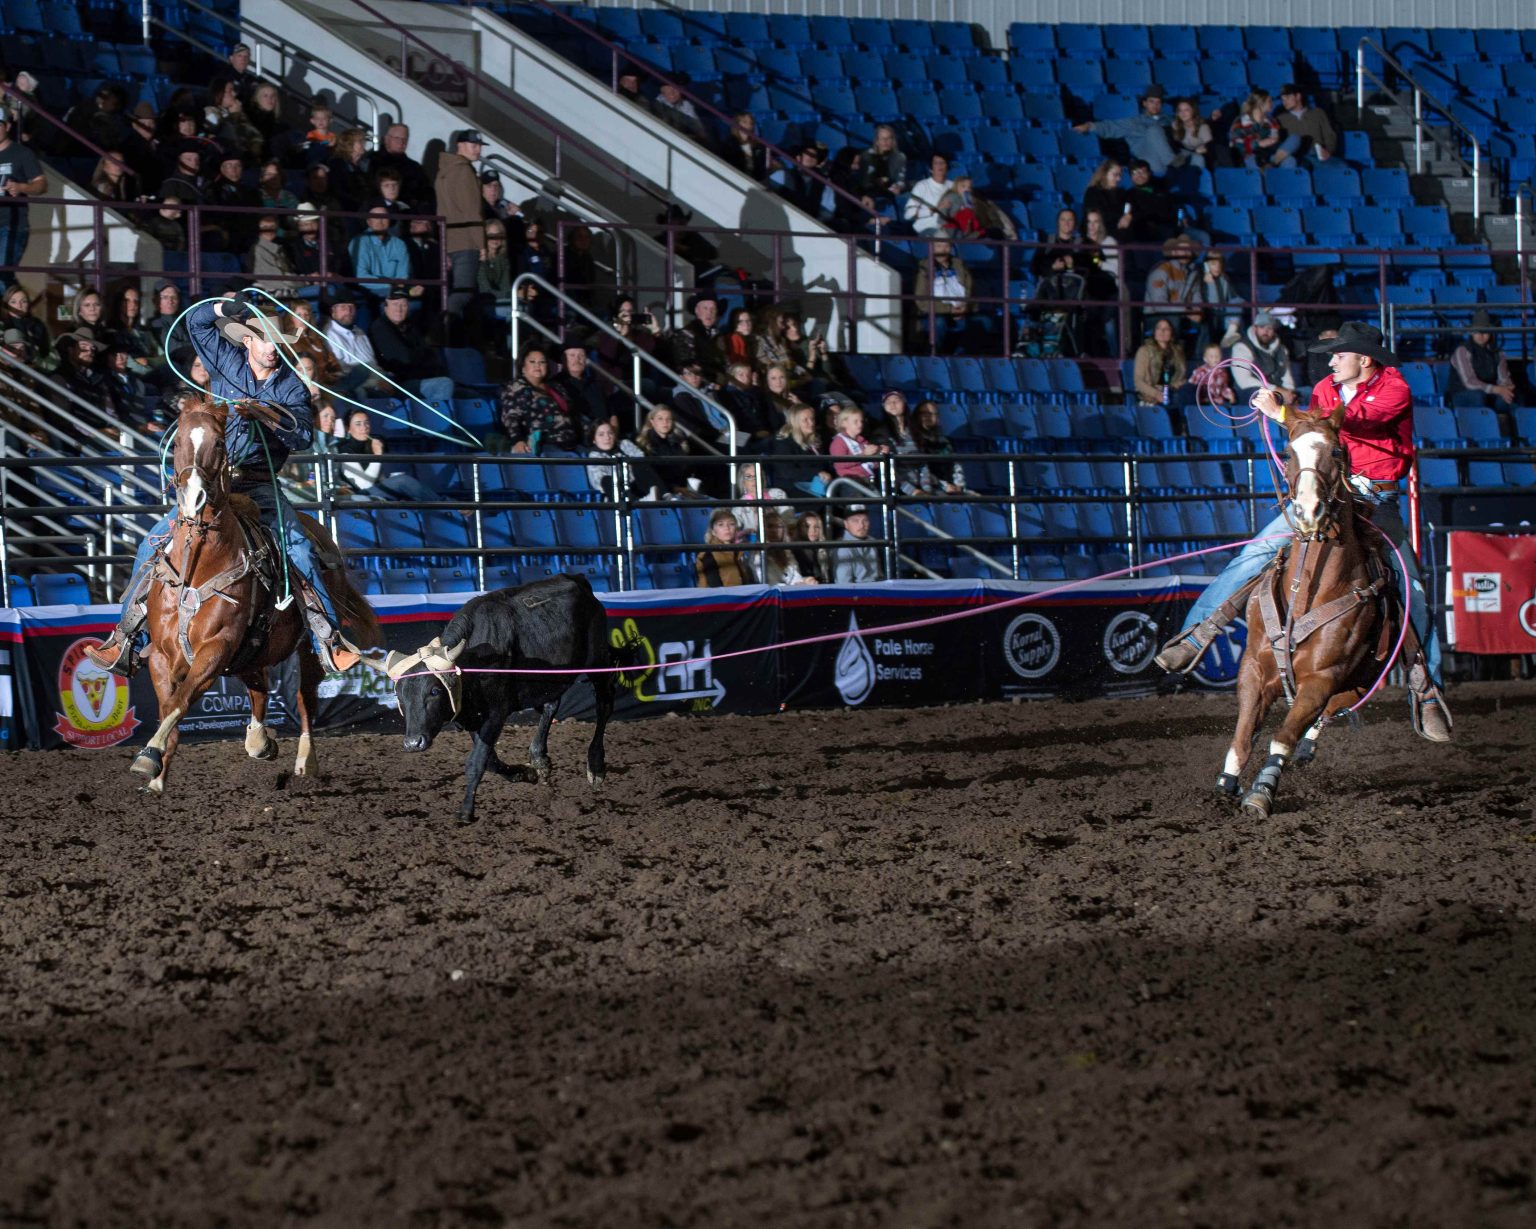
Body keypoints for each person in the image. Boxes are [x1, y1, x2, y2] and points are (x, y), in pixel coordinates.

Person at [1154, 321, 1452, 742]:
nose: (1330, 361)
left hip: (1375, 501)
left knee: (1411, 588)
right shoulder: (1325, 390)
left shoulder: (1394, 389)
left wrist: (1283, 412)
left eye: (1338, 354)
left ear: (1363, 359)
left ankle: (1425, 689)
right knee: (1255, 554)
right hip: (1328, 497)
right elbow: (1311, 435)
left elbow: (1357, 422)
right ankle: (1198, 632)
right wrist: (1283, 414)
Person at [85, 293, 361, 676]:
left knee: (298, 548)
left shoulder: (291, 387)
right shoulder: (226, 362)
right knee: (152, 541)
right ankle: (125, 637)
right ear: (247, 340)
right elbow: (196, 323)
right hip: (214, 484)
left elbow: (302, 438)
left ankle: (326, 639)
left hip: (260, 484)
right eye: (265, 340)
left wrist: (263, 413)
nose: (272, 349)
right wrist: (223, 309)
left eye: (277, 342)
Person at [435, 128, 486, 340]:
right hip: (466, 239)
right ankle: (443, 332)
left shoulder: (444, 170)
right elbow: (471, 210)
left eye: (479, 145)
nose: (477, 149)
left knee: (462, 292)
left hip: (451, 238)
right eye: (473, 145)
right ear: (460, 145)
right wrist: (481, 243)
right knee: (463, 292)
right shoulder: (464, 171)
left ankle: (452, 334)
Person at [333, 408, 440, 502]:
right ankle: (445, 504)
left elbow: (378, 477)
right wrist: (378, 456)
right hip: (360, 494)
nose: (364, 427)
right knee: (403, 481)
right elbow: (365, 485)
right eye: (358, 424)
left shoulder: (371, 444)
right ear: (348, 429)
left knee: (410, 492)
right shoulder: (345, 450)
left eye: (366, 423)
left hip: (376, 490)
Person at [368, 288, 453, 404]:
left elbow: (428, 355)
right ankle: (435, 420)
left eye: (403, 305)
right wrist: (422, 354)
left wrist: (422, 355)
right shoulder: (380, 327)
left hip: (419, 378)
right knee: (444, 384)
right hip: (398, 383)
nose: (399, 309)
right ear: (385, 307)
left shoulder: (410, 326)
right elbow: (405, 358)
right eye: (395, 304)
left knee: (468, 394)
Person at [1072, 83, 1177, 176]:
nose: (1155, 105)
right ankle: (1172, 163)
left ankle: (1176, 166)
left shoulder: (1169, 120)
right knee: (1155, 130)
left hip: (1172, 161)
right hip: (1148, 162)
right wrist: (1090, 126)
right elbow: (1111, 126)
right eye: (1152, 102)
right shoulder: (1134, 122)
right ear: (1145, 103)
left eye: (1158, 102)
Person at [499, 347, 580, 454]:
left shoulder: (556, 386)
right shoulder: (516, 388)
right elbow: (510, 418)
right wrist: (517, 440)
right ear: (523, 367)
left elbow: (572, 413)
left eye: (542, 362)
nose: (537, 365)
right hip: (544, 444)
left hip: (571, 441)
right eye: (532, 362)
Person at [0, 106, 46, 287]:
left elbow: (41, 184)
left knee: (3, 276)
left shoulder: (21, 153)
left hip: (11, 225)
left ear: (7, 126)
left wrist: (21, 187)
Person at [913, 239, 976, 354]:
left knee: (980, 322)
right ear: (932, 248)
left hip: (961, 309)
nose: (943, 249)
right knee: (939, 323)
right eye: (939, 246)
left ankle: (961, 358)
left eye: (946, 246)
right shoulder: (924, 268)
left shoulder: (960, 266)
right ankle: (934, 356)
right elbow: (921, 301)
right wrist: (949, 309)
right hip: (935, 311)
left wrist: (965, 307)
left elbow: (970, 290)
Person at [1448, 309, 1517, 407]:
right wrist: (1496, 389)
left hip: (1489, 391)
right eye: (1477, 331)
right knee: (1478, 396)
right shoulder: (1462, 351)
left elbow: (1504, 376)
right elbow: (1469, 382)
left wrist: (1506, 388)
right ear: (1471, 333)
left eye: (1485, 331)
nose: (1481, 335)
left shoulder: (1497, 353)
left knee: (1510, 397)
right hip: (1463, 393)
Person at [348, 205, 413, 302]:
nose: (381, 220)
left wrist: (396, 288)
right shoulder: (359, 242)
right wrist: (390, 286)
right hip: (368, 291)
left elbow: (403, 275)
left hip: (396, 291)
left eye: (384, 217)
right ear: (369, 222)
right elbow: (361, 276)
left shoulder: (399, 244)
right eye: (376, 217)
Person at [768, 402, 832, 494]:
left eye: (812, 418)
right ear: (795, 422)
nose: (811, 423)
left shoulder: (817, 440)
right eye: (805, 420)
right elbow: (787, 472)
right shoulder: (784, 442)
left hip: (817, 485)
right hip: (792, 487)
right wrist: (817, 472)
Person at [585, 419, 657, 499]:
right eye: (601, 435)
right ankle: (631, 502)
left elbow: (640, 457)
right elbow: (598, 480)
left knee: (640, 464)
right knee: (606, 480)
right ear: (594, 439)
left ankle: (666, 495)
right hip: (616, 491)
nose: (607, 437)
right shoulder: (594, 455)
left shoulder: (623, 444)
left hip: (636, 484)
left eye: (610, 433)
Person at [1230, 310, 1296, 395]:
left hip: (1278, 392)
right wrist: (1277, 390)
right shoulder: (1241, 347)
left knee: (1307, 392)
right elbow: (1244, 381)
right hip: (1253, 393)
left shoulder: (1281, 349)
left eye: (1269, 328)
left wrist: (1290, 393)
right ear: (1255, 328)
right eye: (1262, 327)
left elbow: (1287, 377)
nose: (1266, 331)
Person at [635, 404, 696, 496]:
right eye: (660, 419)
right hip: (658, 492)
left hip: (681, 489)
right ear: (652, 421)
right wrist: (673, 488)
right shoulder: (643, 444)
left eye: (669, 419)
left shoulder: (679, 442)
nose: (665, 422)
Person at [1273, 84, 1336, 165]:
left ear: (1298, 96)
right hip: (1296, 156)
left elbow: (1329, 135)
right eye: (1282, 99)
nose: (1284, 102)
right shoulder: (1281, 119)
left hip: (1317, 155)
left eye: (1287, 98)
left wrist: (1328, 151)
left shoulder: (1318, 113)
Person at [666, 292, 723, 379]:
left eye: (713, 309)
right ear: (697, 310)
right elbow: (686, 365)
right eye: (705, 308)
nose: (709, 312)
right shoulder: (685, 334)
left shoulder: (719, 336)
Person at [1133, 318, 1188, 407]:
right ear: (1154, 332)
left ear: (1172, 333)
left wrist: (1173, 386)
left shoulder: (1178, 352)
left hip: (1173, 393)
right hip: (1151, 395)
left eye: (1166, 329)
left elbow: (1182, 377)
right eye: (1159, 328)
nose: (1162, 331)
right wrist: (1156, 393)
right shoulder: (1144, 351)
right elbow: (1138, 382)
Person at [695, 507, 755, 587]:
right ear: (713, 531)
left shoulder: (739, 552)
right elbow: (714, 587)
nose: (727, 528)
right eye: (721, 525)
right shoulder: (708, 555)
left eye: (731, 524)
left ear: (736, 529)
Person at [829, 404, 888, 482]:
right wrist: (864, 455)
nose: (860, 424)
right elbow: (839, 463)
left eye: (861, 421)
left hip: (868, 480)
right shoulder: (838, 442)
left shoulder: (862, 441)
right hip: (851, 482)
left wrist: (880, 453)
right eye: (855, 421)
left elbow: (872, 464)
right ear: (844, 423)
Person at [903, 153, 954, 236]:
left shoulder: (953, 186)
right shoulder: (922, 186)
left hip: (948, 228)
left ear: (947, 167)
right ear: (931, 169)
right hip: (926, 229)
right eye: (936, 163)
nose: (940, 166)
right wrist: (934, 210)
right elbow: (908, 214)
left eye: (942, 163)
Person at [761, 511, 817, 585]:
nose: (774, 530)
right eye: (770, 526)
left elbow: (796, 578)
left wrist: (806, 581)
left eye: (778, 526)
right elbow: (771, 586)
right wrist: (797, 586)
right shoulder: (759, 554)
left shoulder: (787, 553)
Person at [1228, 91, 1282, 167]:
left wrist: (1273, 141)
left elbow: (1274, 138)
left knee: (1289, 159)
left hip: (1268, 153)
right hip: (1246, 155)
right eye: (1269, 101)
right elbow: (1236, 143)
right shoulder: (1241, 121)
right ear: (1260, 104)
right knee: (1252, 158)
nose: (1272, 104)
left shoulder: (1271, 121)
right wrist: (1258, 143)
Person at [863, 125, 908, 211]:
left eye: (889, 138)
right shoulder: (868, 156)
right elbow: (866, 182)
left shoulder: (900, 157)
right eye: (883, 139)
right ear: (877, 141)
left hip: (892, 191)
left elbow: (901, 179)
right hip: (873, 193)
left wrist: (899, 187)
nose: (886, 141)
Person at [833, 505, 882, 583]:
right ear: (846, 524)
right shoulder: (842, 548)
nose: (861, 525)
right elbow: (844, 586)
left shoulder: (873, 542)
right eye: (855, 521)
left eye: (865, 520)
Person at [1082, 160, 1130, 239]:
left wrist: (1127, 216)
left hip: (1118, 232)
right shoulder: (1093, 192)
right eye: (1115, 175)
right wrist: (1120, 218)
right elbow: (1098, 215)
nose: (1119, 179)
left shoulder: (1121, 192)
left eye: (1120, 175)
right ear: (1105, 174)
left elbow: (1128, 205)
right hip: (1101, 233)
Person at [1033, 207, 1085, 278]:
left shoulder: (1081, 243)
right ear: (1058, 222)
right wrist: (1052, 267)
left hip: (1074, 286)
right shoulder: (1047, 241)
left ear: (1075, 223)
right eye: (1063, 220)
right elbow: (1034, 267)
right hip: (1051, 284)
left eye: (1070, 220)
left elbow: (1086, 267)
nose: (1066, 223)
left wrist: (1072, 265)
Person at [652, 76, 706, 143]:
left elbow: (699, 130)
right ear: (662, 92)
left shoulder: (686, 105)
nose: (672, 94)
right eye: (667, 92)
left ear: (681, 90)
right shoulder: (659, 102)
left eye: (674, 90)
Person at [718, 112, 768, 181]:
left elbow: (762, 170)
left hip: (755, 181)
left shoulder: (758, 146)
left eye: (751, 123)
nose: (748, 126)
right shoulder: (729, 144)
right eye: (744, 122)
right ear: (737, 123)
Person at [790, 510, 835, 583]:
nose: (812, 530)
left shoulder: (823, 549)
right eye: (807, 527)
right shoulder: (795, 550)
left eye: (816, 527)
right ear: (800, 528)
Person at [1170, 98, 1216, 169]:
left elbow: (1211, 148)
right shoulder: (1175, 125)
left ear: (1193, 111)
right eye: (1180, 110)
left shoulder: (1202, 127)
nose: (1183, 113)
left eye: (1186, 110)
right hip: (1184, 154)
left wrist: (1201, 150)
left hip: (1201, 156)